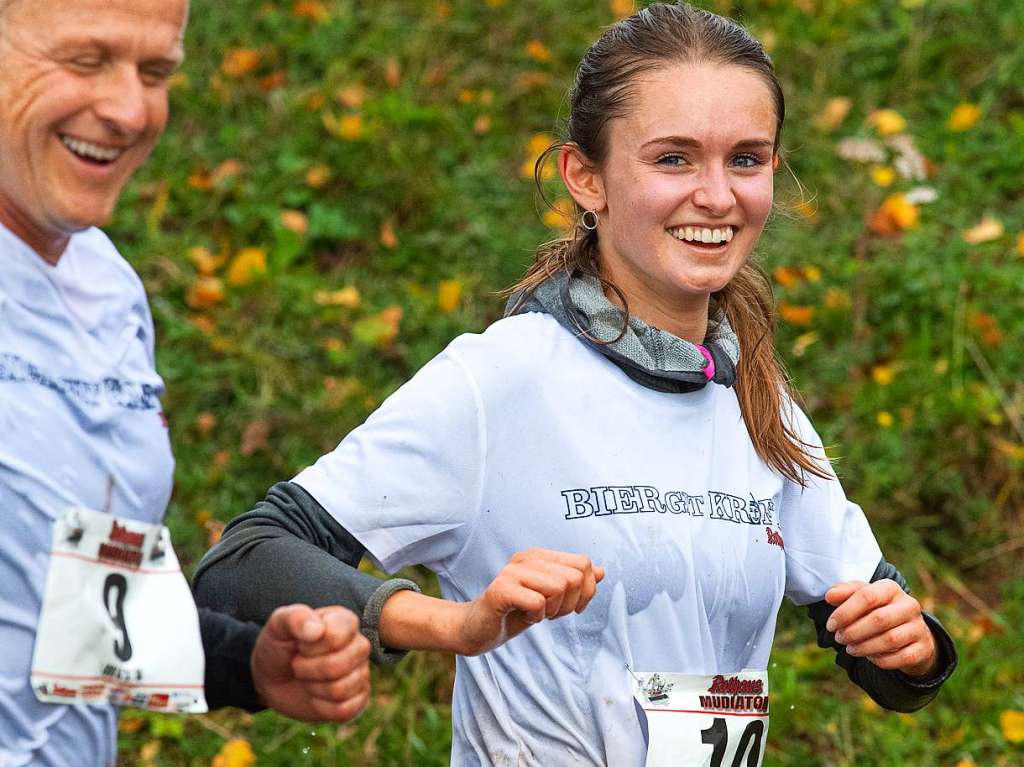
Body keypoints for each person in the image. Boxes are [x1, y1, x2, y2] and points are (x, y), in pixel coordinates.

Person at [194, 3, 958, 765]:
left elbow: (889, 656)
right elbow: (242, 561)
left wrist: (911, 646)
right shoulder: (504, 379)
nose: (719, 196)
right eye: (674, 159)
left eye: (747, 159)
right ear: (584, 176)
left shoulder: (756, 398)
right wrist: (446, 623)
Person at [0, 1, 375, 765]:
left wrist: (248, 664)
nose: (129, 109)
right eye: (84, 60)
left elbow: (76, 594)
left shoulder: (102, 281)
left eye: (156, 71)